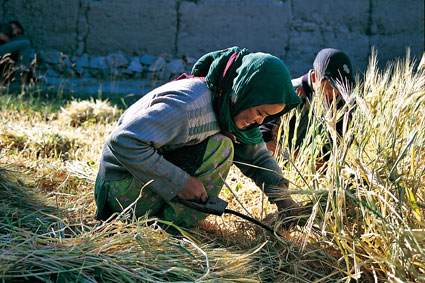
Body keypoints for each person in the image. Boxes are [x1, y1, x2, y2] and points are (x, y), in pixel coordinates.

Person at [94, 46, 302, 229]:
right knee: (220, 147)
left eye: (266, 117)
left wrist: (284, 200)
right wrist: (180, 182)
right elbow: (122, 141)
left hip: (138, 185)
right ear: (244, 92)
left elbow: (257, 158)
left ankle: (164, 224)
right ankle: (171, 235)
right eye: (259, 111)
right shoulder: (188, 107)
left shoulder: (228, 106)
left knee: (226, 141)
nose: (258, 121)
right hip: (119, 193)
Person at [260, 48, 356, 163]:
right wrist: (302, 161)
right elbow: (264, 141)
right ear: (315, 77)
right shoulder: (289, 93)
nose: (336, 93)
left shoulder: (338, 99)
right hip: (278, 165)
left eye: (340, 88)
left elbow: (339, 144)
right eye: (331, 87)